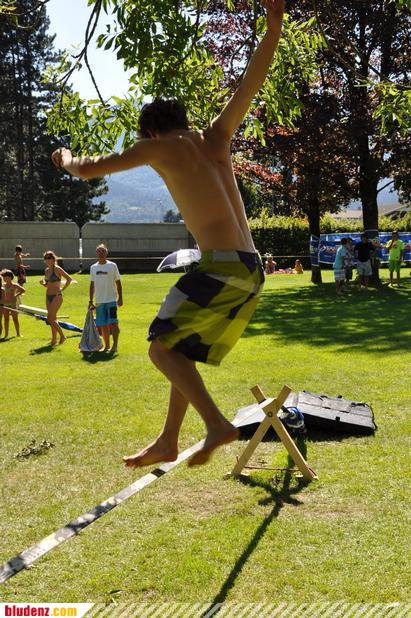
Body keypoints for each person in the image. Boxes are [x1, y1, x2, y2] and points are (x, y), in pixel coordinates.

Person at [51, 0, 285, 468]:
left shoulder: (158, 147)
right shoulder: (216, 136)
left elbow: (90, 169)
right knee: (180, 349)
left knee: (160, 350)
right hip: (251, 270)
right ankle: (168, 439)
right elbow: (250, 83)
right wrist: (273, 26)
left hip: (220, 269)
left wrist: (67, 159)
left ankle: (216, 424)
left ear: (152, 131)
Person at [89, 244, 123, 353]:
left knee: (113, 323)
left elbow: (118, 282)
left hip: (111, 300)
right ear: (96, 253)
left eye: (103, 251)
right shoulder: (93, 267)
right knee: (103, 325)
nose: (101, 253)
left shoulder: (112, 265)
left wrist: (120, 297)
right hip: (99, 301)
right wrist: (91, 300)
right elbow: (92, 285)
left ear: (106, 253)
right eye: (99, 251)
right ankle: (107, 346)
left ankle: (115, 346)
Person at [40, 251, 73, 345]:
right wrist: (43, 284)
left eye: (49, 258)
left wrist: (62, 289)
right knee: (52, 318)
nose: (47, 260)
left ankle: (62, 336)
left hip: (57, 296)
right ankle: (54, 339)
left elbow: (69, 279)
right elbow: (47, 285)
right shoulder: (46, 270)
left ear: (53, 259)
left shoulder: (57, 269)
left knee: (50, 318)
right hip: (48, 296)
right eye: (46, 258)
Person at [0, 269, 25, 338]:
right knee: (6, 319)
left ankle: (18, 333)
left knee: (15, 319)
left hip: (13, 304)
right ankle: (6, 335)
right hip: (5, 304)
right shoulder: (3, 285)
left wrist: (16, 295)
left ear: (10, 277)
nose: (4, 279)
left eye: (5, 277)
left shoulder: (14, 285)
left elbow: (23, 290)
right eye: (3, 277)